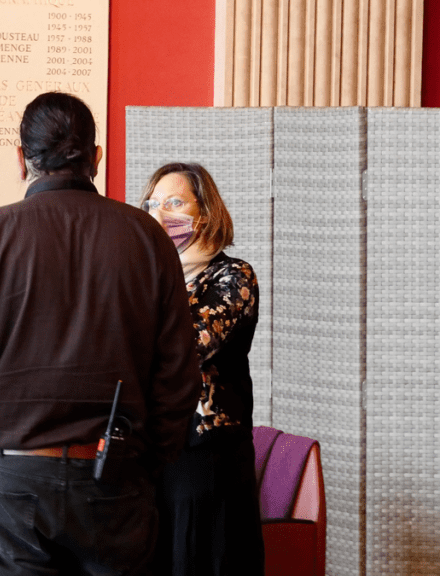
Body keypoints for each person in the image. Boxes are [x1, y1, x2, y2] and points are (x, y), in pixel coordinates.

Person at [0, 92, 202, 576]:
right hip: (115, 479)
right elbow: (181, 375)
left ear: (21, 160)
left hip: (10, 479)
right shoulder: (148, 239)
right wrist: (147, 460)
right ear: (96, 158)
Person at [139, 163, 265, 576]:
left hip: (206, 459)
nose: (160, 213)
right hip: (150, 454)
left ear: (205, 214)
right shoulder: (144, 277)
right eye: (152, 204)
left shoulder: (233, 276)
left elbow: (186, 349)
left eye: (174, 203)